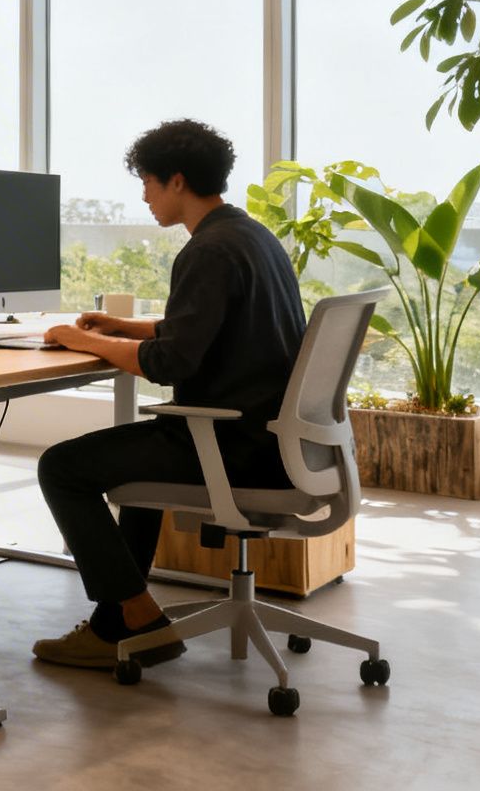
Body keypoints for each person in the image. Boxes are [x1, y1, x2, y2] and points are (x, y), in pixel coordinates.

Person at [30, 119, 306, 671]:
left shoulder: (206, 251)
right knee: (134, 469)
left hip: (231, 446)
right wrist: (124, 327)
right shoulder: (251, 237)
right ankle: (115, 626)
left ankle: (137, 616)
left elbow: (170, 363)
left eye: (148, 182)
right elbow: (211, 330)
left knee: (61, 468)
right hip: (270, 438)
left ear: (177, 182)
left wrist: (80, 338)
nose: (144, 195)